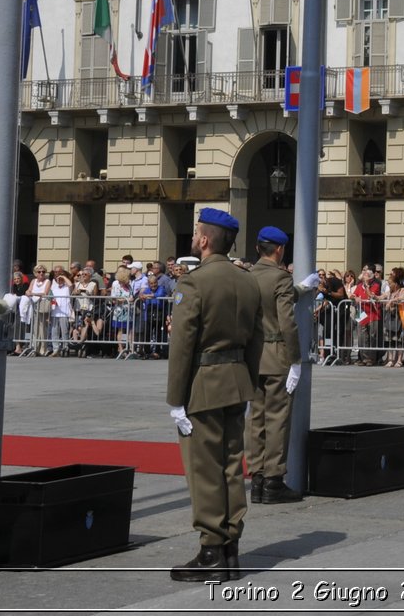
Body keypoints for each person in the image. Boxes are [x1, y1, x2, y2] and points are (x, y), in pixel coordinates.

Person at [166, 208, 263, 582]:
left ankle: (210, 550)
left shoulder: (194, 283)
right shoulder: (246, 281)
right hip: (237, 380)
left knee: (204, 470)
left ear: (204, 239)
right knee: (230, 467)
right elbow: (255, 339)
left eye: (195, 233)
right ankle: (230, 548)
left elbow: (182, 343)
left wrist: (175, 399)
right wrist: (249, 382)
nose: (193, 237)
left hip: (203, 384)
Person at [245, 227, 302, 504]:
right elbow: (287, 323)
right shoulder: (281, 277)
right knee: (277, 418)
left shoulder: (247, 276)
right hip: (277, 355)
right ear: (279, 250)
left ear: (258, 248)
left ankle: (256, 478)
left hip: (252, 356)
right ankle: (273, 481)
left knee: (255, 419)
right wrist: (296, 359)